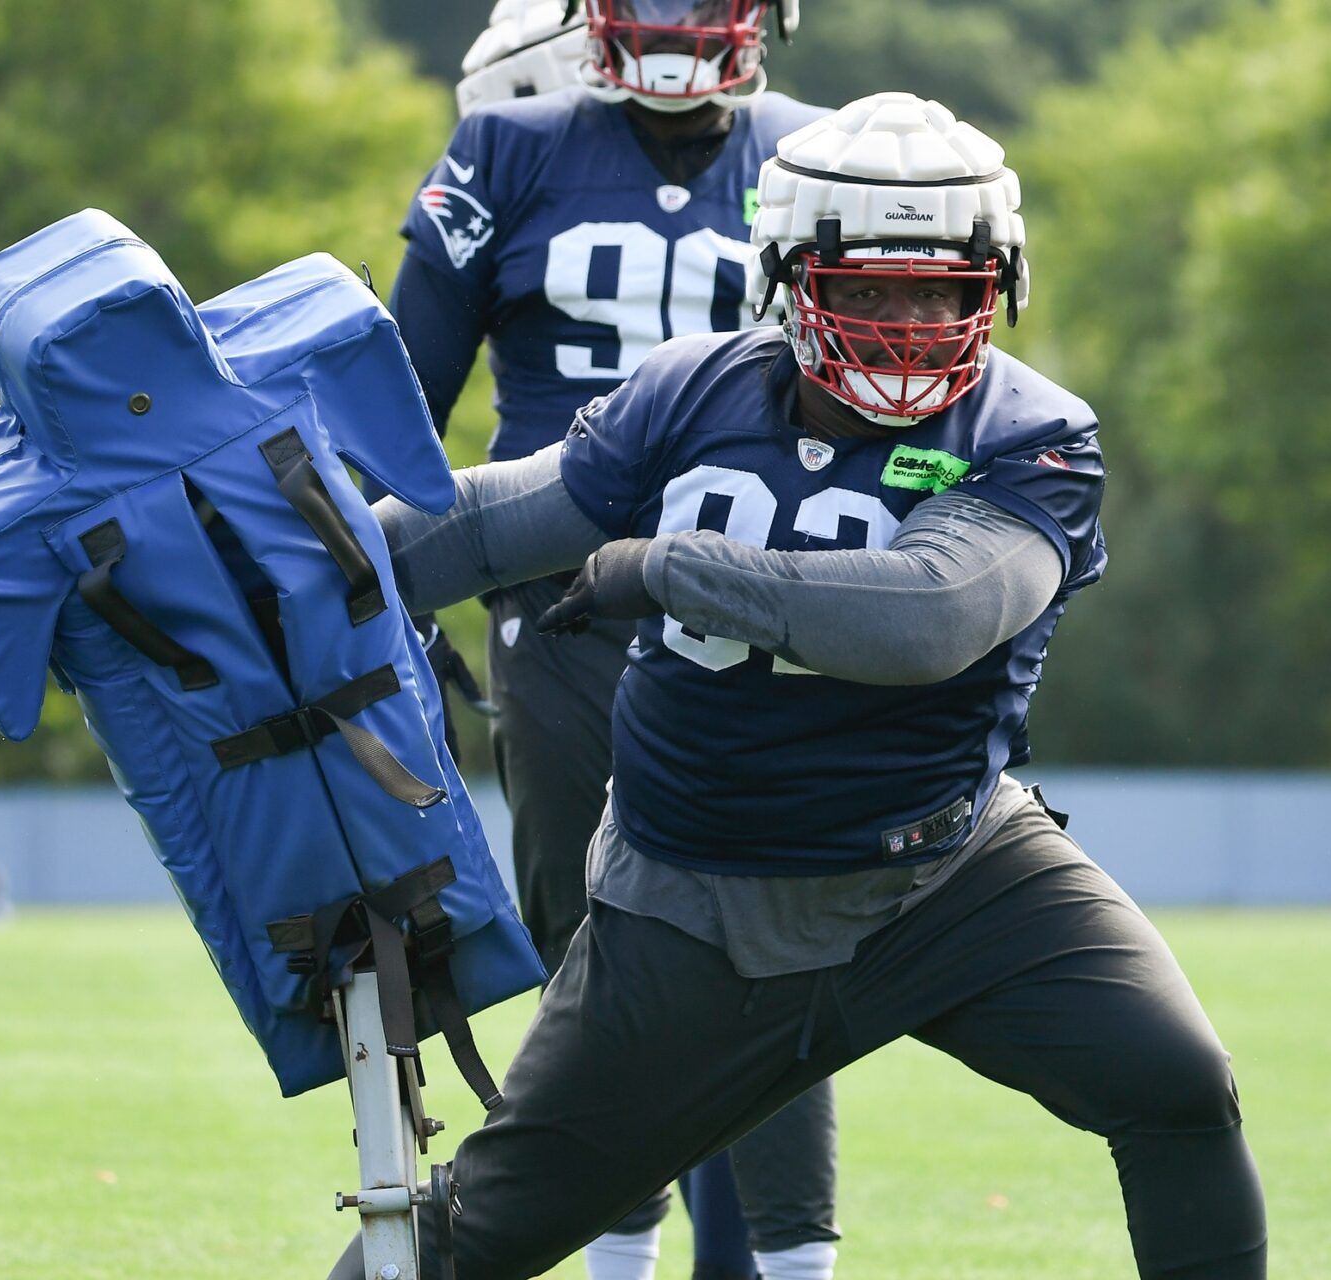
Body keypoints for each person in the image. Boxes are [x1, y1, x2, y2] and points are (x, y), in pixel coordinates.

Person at [334, 91, 1269, 1280]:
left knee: (1178, 1083)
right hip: (698, 906)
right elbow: (479, 525)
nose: (908, 319)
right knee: (468, 1238)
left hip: (950, 875)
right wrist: (298, 569)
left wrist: (671, 566)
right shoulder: (693, 391)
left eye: (943, 286)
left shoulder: (1036, 433)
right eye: (869, 286)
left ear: (1000, 285)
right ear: (790, 275)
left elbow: (931, 613)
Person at [392, 4, 836, 1279]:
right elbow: (401, 404)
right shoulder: (507, 146)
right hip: (557, 591)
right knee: (591, 941)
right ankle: (619, 1259)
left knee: (768, 929)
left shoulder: (820, 154)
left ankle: (771, 1263)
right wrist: (388, 585)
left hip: (755, 591)